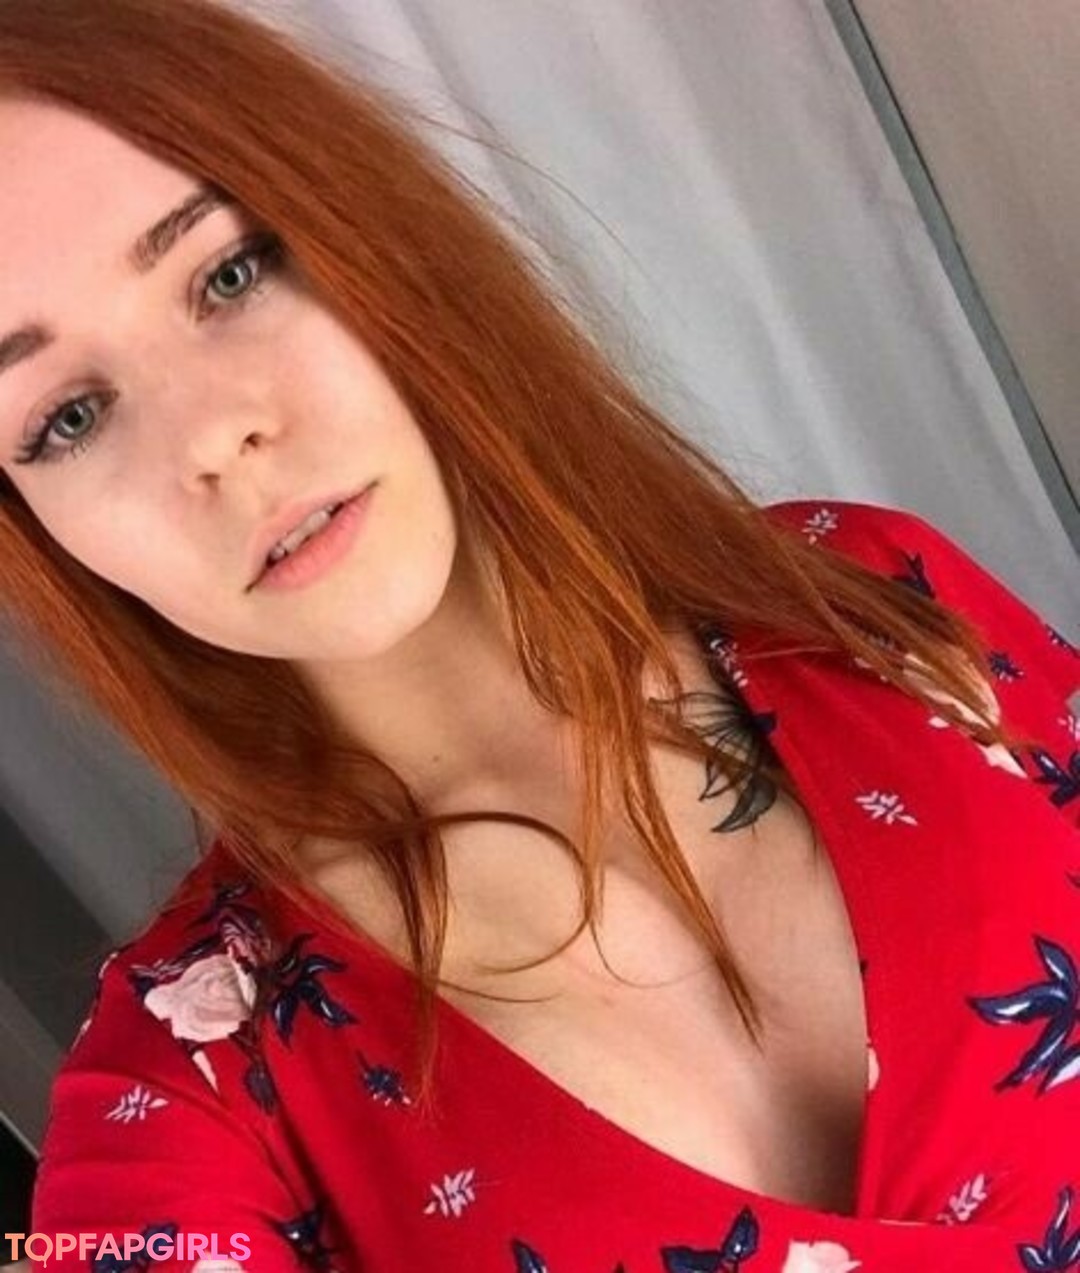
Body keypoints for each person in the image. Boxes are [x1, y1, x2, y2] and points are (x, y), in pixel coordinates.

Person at [0, 1, 1076, 1269]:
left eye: (228, 275)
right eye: (67, 417)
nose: (212, 437)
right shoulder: (190, 1090)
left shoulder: (869, 596)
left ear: (364, 230)